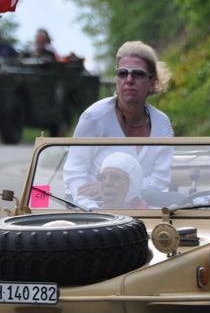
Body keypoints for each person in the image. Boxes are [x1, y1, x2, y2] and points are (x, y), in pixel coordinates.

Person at [64, 41, 174, 203]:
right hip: (91, 209)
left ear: (152, 83)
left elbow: (159, 179)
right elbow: (75, 172)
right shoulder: (95, 117)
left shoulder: (162, 125)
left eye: (138, 74)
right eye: (122, 73)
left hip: (142, 212)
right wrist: (93, 209)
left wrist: (117, 190)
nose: (129, 80)